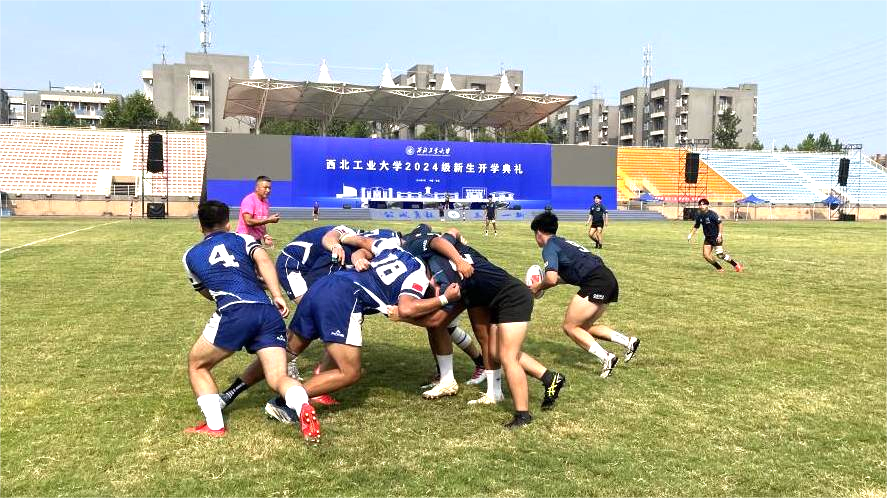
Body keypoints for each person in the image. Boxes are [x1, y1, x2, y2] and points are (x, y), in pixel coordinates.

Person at [181, 200, 320, 442]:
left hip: (234, 311)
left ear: (200, 226)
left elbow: (206, 291)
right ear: (228, 223)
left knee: (197, 365)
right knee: (278, 377)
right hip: (267, 312)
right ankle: (302, 406)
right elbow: (264, 262)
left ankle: (215, 426)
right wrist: (276, 294)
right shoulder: (243, 240)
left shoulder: (190, 255)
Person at [403, 226, 567, 428]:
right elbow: (451, 233)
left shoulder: (442, 262)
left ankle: (523, 415)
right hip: (491, 296)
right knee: (495, 351)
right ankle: (549, 378)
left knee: (507, 357)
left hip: (512, 297)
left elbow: (436, 321)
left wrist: (402, 315)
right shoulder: (448, 252)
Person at [529, 211, 640, 379]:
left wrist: (537, 287)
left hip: (596, 282)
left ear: (538, 232)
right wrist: (540, 286)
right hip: (607, 278)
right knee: (583, 328)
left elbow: (550, 279)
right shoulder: (564, 242)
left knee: (570, 327)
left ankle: (607, 357)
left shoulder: (549, 247)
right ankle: (628, 342)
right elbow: (560, 278)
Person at [687, 198, 744, 273]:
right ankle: (719, 268)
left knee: (720, 255)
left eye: (703, 204)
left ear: (707, 205)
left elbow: (720, 224)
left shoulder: (712, 214)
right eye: (700, 205)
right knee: (706, 255)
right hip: (708, 238)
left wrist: (719, 235)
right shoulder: (699, 216)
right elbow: (696, 226)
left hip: (716, 237)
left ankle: (736, 265)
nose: (701, 206)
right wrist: (690, 234)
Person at [237, 176, 280, 247]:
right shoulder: (249, 200)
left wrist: (265, 235)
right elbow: (248, 221)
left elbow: (261, 221)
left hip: (256, 240)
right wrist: (269, 220)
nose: (268, 190)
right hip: (245, 239)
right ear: (257, 188)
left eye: (269, 188)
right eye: (265, 187)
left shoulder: (265, 202)